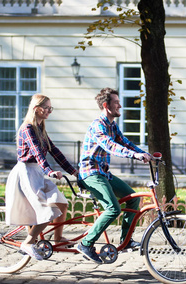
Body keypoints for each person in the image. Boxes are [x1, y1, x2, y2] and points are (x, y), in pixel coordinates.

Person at [77, 87, 152, 263]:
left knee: (133, 198)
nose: (120, 105)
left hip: (103, 173)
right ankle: (86, 244)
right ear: (106, 105)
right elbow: (110, 145)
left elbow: (125, 142)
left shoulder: (112, 125)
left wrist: (145, 154)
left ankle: (125, 241)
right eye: (116, 102)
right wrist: (134, 155)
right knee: (113, 208)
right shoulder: (98, 126)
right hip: (90, 173)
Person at [5, 94, 78, 260]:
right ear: (36, 109)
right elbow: (37, 152)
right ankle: (29, 242)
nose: (49, 111)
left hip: (37, 171)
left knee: (61, 203)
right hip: (26, 173)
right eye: (47, 108)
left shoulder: (41, 129)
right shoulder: (28, 128)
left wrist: (73, 171)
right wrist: (49, 170)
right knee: (47, 211)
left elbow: (55, 152)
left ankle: (58, 238)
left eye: (50, 108)